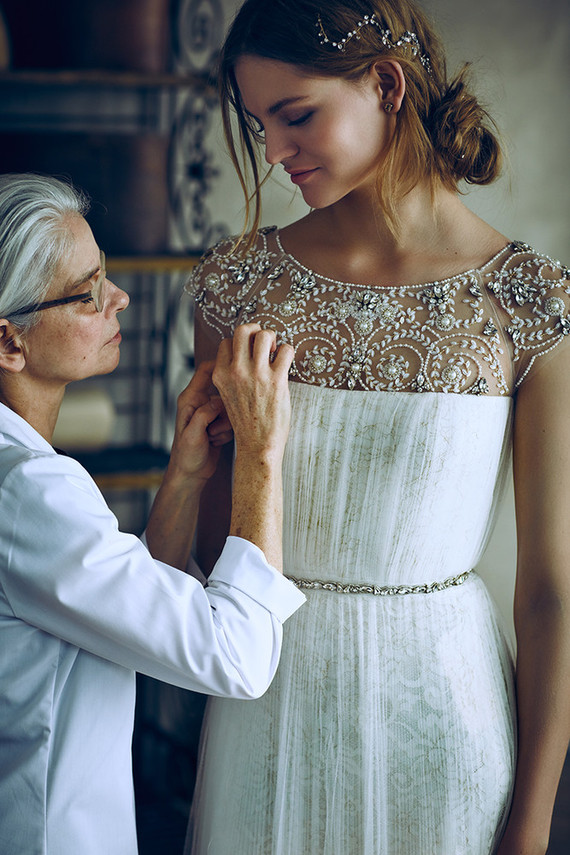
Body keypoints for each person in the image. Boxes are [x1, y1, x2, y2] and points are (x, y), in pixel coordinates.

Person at [183, 1, 570, 853]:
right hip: (266, 706)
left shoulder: (527, 302)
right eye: (260, 125)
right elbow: (212, 556)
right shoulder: (237, 288)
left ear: (385, 85)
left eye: (297, 116)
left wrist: (535, 821)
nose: (277, 154)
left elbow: (549, 591)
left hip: (446, 719)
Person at [0, 172, 305, 855]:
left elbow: (123, 616)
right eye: (87, 292)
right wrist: (260, 452)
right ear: (9, 343)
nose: (121, 297)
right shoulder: (29, 493)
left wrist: (186, 475)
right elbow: (237, 656)